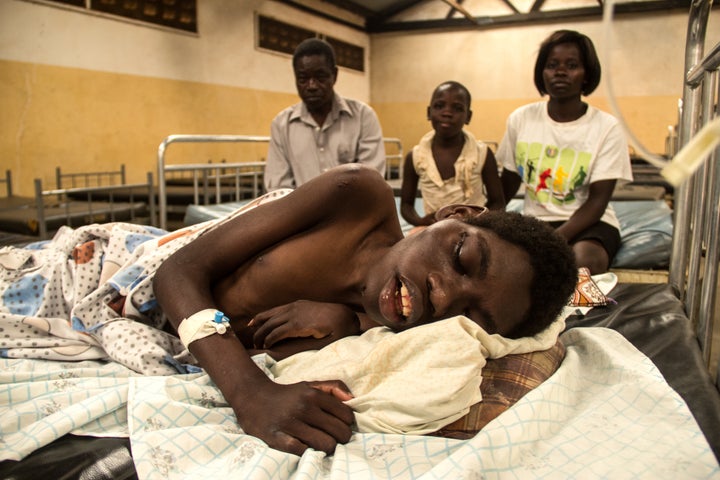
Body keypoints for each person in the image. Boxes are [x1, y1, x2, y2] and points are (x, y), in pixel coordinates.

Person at [153, 163, 577, 457]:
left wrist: (345, 321)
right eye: (462, 255)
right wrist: (250, 393)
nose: (444, 295)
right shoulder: (354, 198)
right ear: (456, 214)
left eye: (469, 314)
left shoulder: (367, 337)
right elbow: (177, 271)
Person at [496, 30, 633, 275]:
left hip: (589, 224)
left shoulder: (606, 127)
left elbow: (597, 202)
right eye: (552, 65)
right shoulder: (521, 119)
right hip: (535, 223)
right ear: (542, 73)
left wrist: (553, 240)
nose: (560, 72)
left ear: (586, 75)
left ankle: (582, 311)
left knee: (581, 262)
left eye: (571, 65)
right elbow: (506, 186)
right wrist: (481, 224)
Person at [263, 38, 386, 191]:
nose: (311, 86)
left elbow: (370, 181)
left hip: (352, 211)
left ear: (334, 75)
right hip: (303, 213)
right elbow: (278, 188)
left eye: (320, 77)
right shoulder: (281, 125)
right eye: (303, 79)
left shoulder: (363, 117)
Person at [400, 81, 505, 228]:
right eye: (439, 106)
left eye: (457, 108)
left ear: (468, 116)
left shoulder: (482, 153)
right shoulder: (416, 157)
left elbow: (498, 202)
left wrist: (478, 222)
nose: (447, 113)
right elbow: (406, 205)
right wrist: (421, 222)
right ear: (429, 112)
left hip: (474, 230)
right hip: (433, 231)